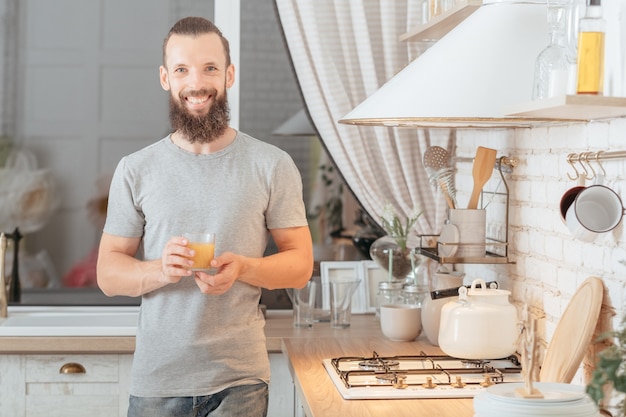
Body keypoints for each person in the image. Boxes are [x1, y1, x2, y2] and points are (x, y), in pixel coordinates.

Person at [96, 16, 313, 417]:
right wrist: (162, 270)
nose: (196, 83)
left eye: (210, 68)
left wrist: (244, 267)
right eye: (182, 70)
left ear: (229, 74)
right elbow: (108, 274)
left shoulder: (272, 165)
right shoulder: (136, 169)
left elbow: (300, 266)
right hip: (158, 382)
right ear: (166, 78)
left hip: (240, 381)